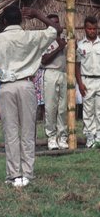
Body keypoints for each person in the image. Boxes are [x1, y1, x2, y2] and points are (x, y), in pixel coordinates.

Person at [0, 5, 61, 188]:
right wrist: (38, 14)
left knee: (10, 131)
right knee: (28, 131)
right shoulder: (31, 36)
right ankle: (28, 173)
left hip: (7, 87)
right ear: (22, 20)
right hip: (26, 85)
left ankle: (14, 174)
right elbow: (57, 30)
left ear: (4, 21)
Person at [41, 14, 68, 150]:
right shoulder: (45, 40)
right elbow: (43, 60)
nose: (56, 26)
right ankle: (51, 138)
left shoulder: (65, 38)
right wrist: (58, 47)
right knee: (51, 107)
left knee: (63, 108)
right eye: (53, 24)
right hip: (50, 73)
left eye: (57, 23)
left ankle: (62, 136)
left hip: (64, 73)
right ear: (47, 25)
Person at [76, 16, 100, 148]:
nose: (92, 31)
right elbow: (77, 65)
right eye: (89, 28)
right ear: (85, 29)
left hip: (99, 79)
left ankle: (99, 136)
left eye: (94, 28)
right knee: (88, 110)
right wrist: (79, 83)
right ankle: (90, 136)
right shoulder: (80, 45)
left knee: (99, 110)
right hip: (87, 80)